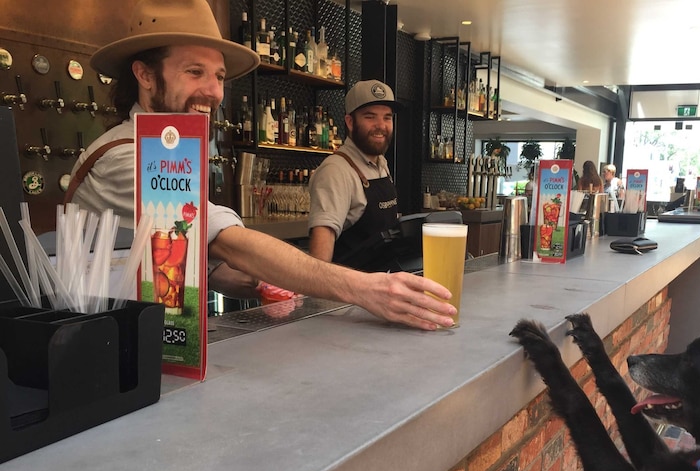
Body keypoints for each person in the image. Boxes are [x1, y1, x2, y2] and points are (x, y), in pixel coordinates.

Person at [68, 0, 455, 331]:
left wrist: (258, 283)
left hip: (151, 341)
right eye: (194, 72)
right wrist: (364, 288)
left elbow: (188, 254)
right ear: (146, 75)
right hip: (99, 350)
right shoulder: (125, 157)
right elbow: (227, 242)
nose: (214, 91)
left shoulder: (169, 152)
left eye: (219, 76)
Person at [307, 80, 400, 270]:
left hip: (383, 287)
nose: (380, 125)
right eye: (370, 117)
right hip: (350, 294)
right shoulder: (336, 171)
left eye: (387, 117)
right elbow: (319, 260)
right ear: (350, 122)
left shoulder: (381, 163)